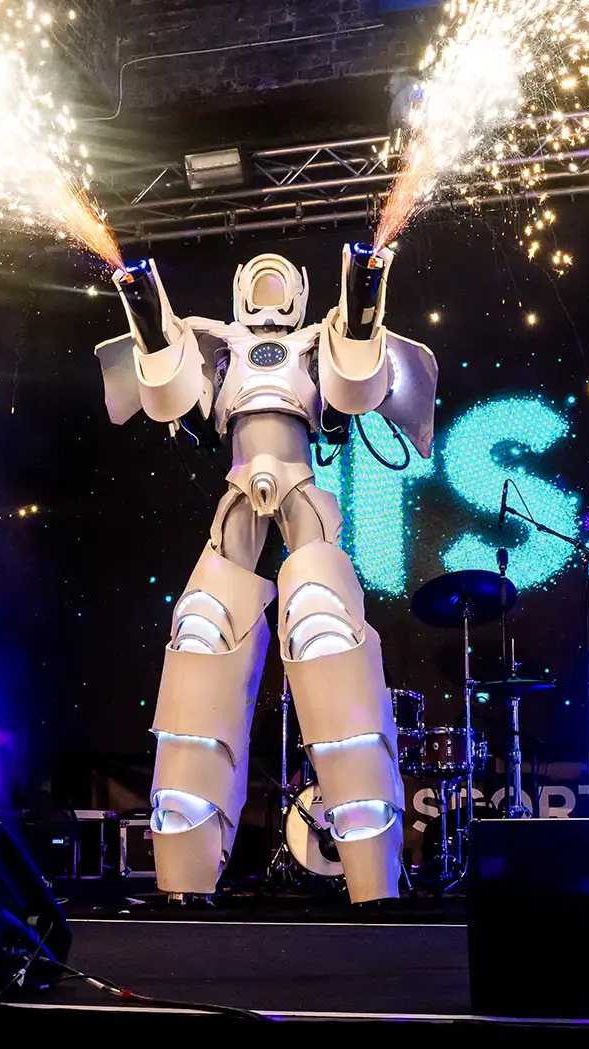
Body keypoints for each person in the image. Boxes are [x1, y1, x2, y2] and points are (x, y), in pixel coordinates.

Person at [93, 244, 438, 902]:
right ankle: (186, 867)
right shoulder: (215, 344)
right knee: (201, 630)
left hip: (300, 485)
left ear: (302, 290)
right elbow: (171, 390)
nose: (269, 287)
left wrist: (363, 300)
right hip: (237, 490)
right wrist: (146, 308)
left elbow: (355, 382)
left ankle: (371, 868)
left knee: (323, 625)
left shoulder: (316, 340)